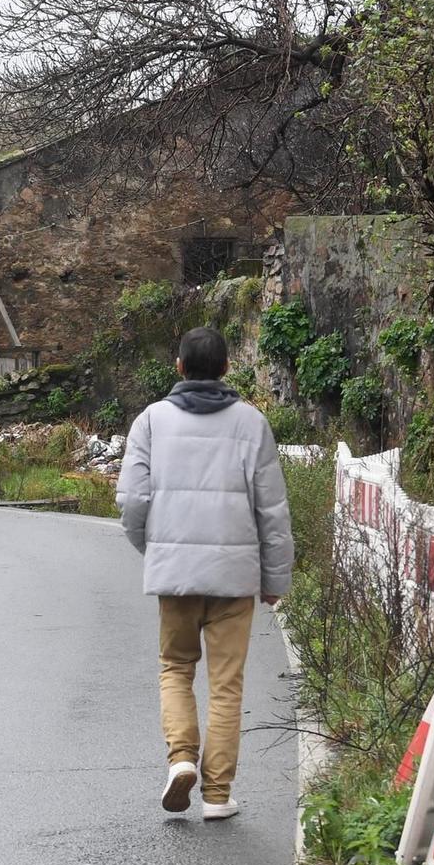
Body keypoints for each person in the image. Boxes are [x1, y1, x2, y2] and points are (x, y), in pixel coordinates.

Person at [117, 324, 294, 820]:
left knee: (175, 668)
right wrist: (275, 578)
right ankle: (217, 795)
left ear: (178, 367)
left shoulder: (150, 421)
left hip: (176, 576)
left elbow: (132, 500)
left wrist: (155, 550)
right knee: (226, 684)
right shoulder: (252, 423)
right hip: (235, 578)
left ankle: (180, 761)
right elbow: (273, 511)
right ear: (225, 368)